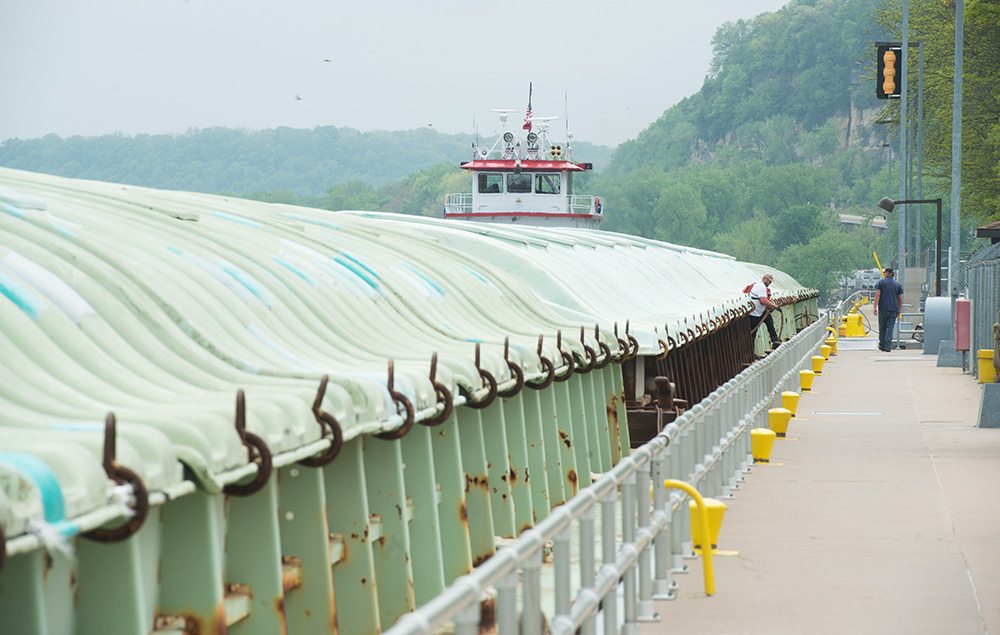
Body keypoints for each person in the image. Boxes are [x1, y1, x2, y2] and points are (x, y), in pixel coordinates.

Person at [873, 267, 904, 352]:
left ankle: (882, 345)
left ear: (887, 273)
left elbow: (878, 295)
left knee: (882, 327)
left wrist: (874, 307)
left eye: (884, 273)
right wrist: (899, 310)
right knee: (890, 327)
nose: (883, 274)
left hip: (883, 308)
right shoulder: (897, 284)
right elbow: (900, 299)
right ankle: (888, 346)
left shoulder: (881, 283)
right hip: (893, 309)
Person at [748, 273, 781, 349]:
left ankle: (774, 338)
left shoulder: (758, 284)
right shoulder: (761, 286)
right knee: (752, 333)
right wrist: (774, 306)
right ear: (765, 279)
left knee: (768, 318)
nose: (770, 283)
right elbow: (763, 300)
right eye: (770, 281)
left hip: (759, 312)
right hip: (755, 313)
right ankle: (751, 352)